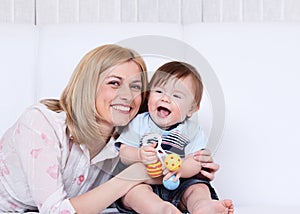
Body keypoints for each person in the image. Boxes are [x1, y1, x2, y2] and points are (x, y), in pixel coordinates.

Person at [0, 44, 219, 213]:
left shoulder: (127, 137)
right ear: (88, 86)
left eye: (135, 87)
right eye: (114, 83)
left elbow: (150, 174)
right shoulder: (41, 123)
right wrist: (133, 175)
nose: (127, 95)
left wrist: (191, 165)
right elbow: (56, 210)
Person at [115, 61, 234, 214]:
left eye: (176, 95)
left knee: (198, 188)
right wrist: (138, 154)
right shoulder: (138, 122)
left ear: (191, 108)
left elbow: (196, 161)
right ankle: (161, 209)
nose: (165, 99)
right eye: (159, 91)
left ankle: (202, 206)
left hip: (180, 182)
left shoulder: (192, 130)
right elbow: (123, 152)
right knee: (134, 193)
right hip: (144, 181)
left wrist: (181, 169)